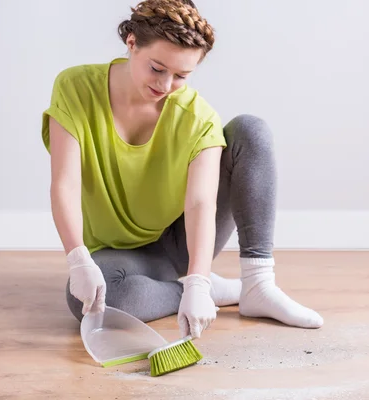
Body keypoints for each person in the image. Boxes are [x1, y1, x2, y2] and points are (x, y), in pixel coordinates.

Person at [42, 0, 323, 339]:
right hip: (115, 253)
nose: (165, 85)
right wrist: (78, 260)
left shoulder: (197, 118)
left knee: (251, 130)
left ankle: (257, 284)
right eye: (157, 68)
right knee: (83, 300)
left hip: (178, 243)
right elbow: (65, 183)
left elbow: (201, 203)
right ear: (131, 43)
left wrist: (198, 279)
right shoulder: (76, 88)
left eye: (181, 76)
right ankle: (204, 291)